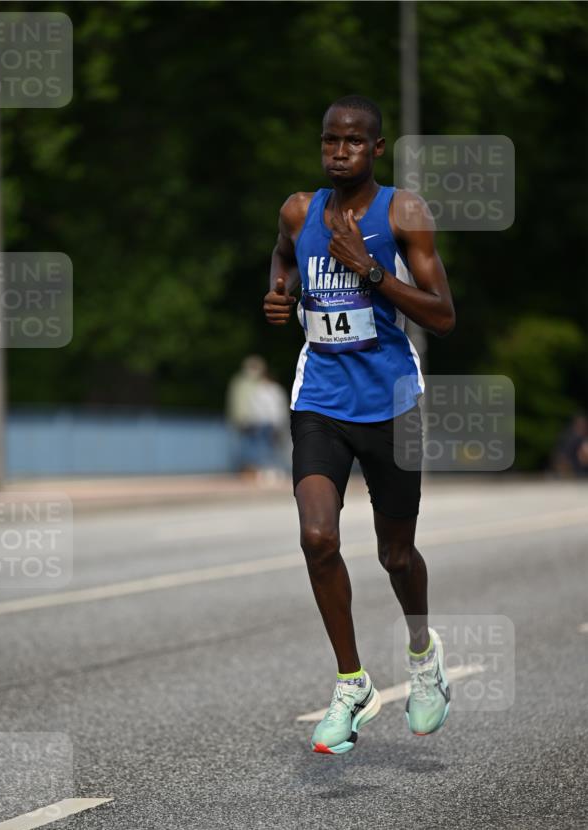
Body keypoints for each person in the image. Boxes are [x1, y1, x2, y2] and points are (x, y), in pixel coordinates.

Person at [263, 95, 455, 754]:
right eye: (328, 141)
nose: (338, 151)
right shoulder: (298, 209)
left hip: (392, 401)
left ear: (375, 148)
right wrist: (280, 291)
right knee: (317, 537)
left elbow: (441, 315)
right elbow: (283, 254)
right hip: (319, 397)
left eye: (351, 141)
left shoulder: (402, 213)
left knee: (394, 555)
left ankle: (424, 656)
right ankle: (351, 683)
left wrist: (369, 270)